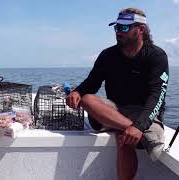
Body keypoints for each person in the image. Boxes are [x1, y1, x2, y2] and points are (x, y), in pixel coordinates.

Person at [66, 8, 168, 180]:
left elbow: (157, 96)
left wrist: (139, 125)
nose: (119, 32)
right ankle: (144, 135)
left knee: (124, 140)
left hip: (143, 111)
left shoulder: (156, 56)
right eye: (117, 27)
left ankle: (133, 129)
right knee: (87, 99)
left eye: (125, 28)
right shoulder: (108, 55)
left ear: (140, 29)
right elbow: (92, 82)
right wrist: (77, 91)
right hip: (114, 111)